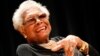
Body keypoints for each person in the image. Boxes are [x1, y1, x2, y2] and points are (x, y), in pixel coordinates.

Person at [12, 0, 100, 56]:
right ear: (23, 31)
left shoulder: (62, 39)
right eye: (31, 20)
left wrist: (79, 42)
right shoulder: (25, 49)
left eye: (42, 16)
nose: (39, 21)